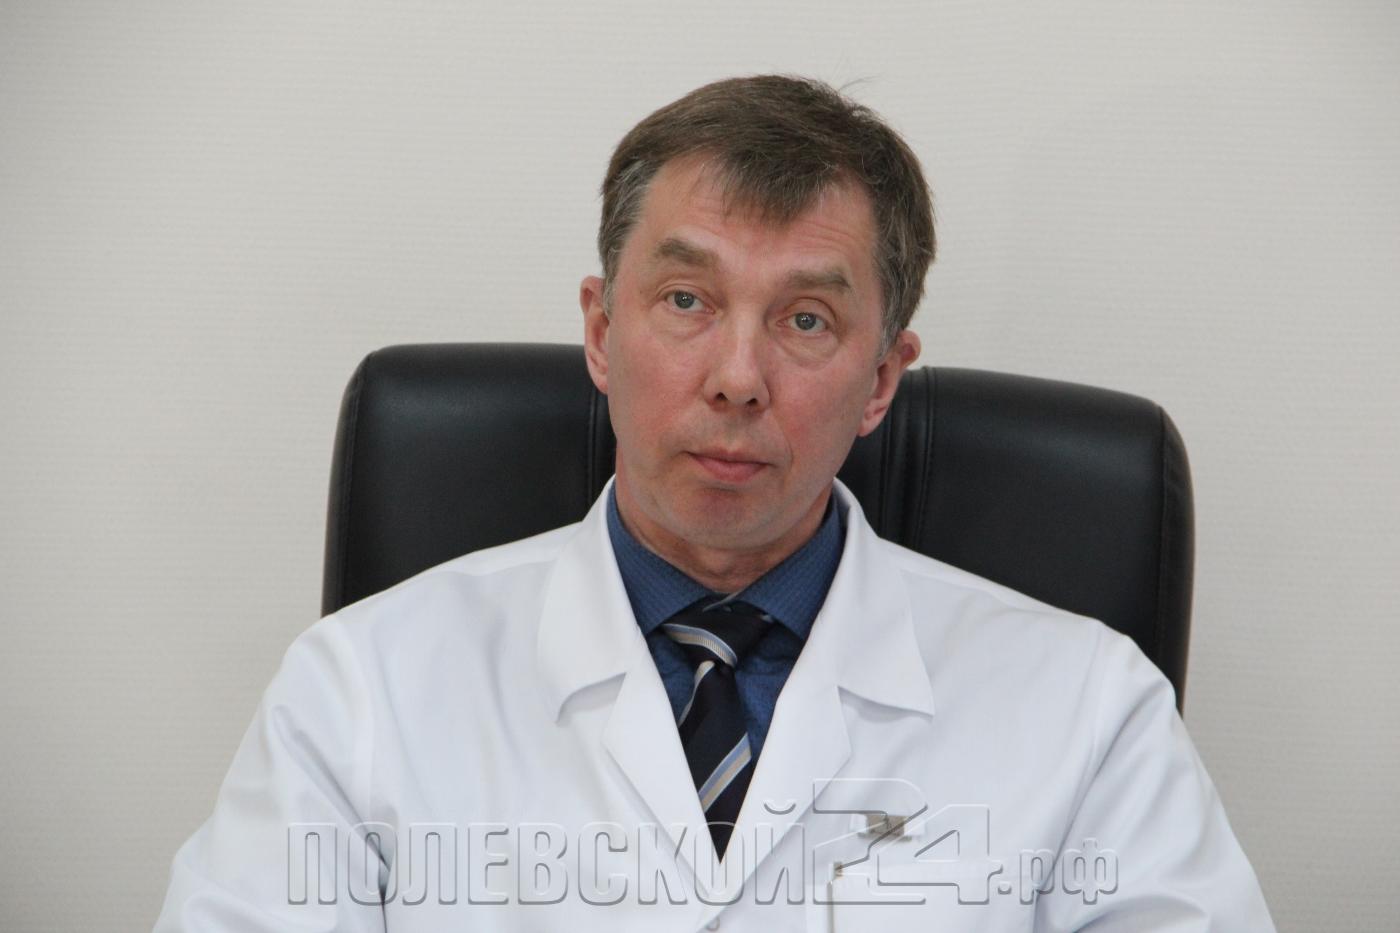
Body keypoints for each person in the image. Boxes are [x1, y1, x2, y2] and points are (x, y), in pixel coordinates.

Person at [154, 75, 1275, 930]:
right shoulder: (359, 692)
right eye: (686, 300)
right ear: (602, 332)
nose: (738, 378)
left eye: (805, 321)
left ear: (881, 380)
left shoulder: (1089, 714)